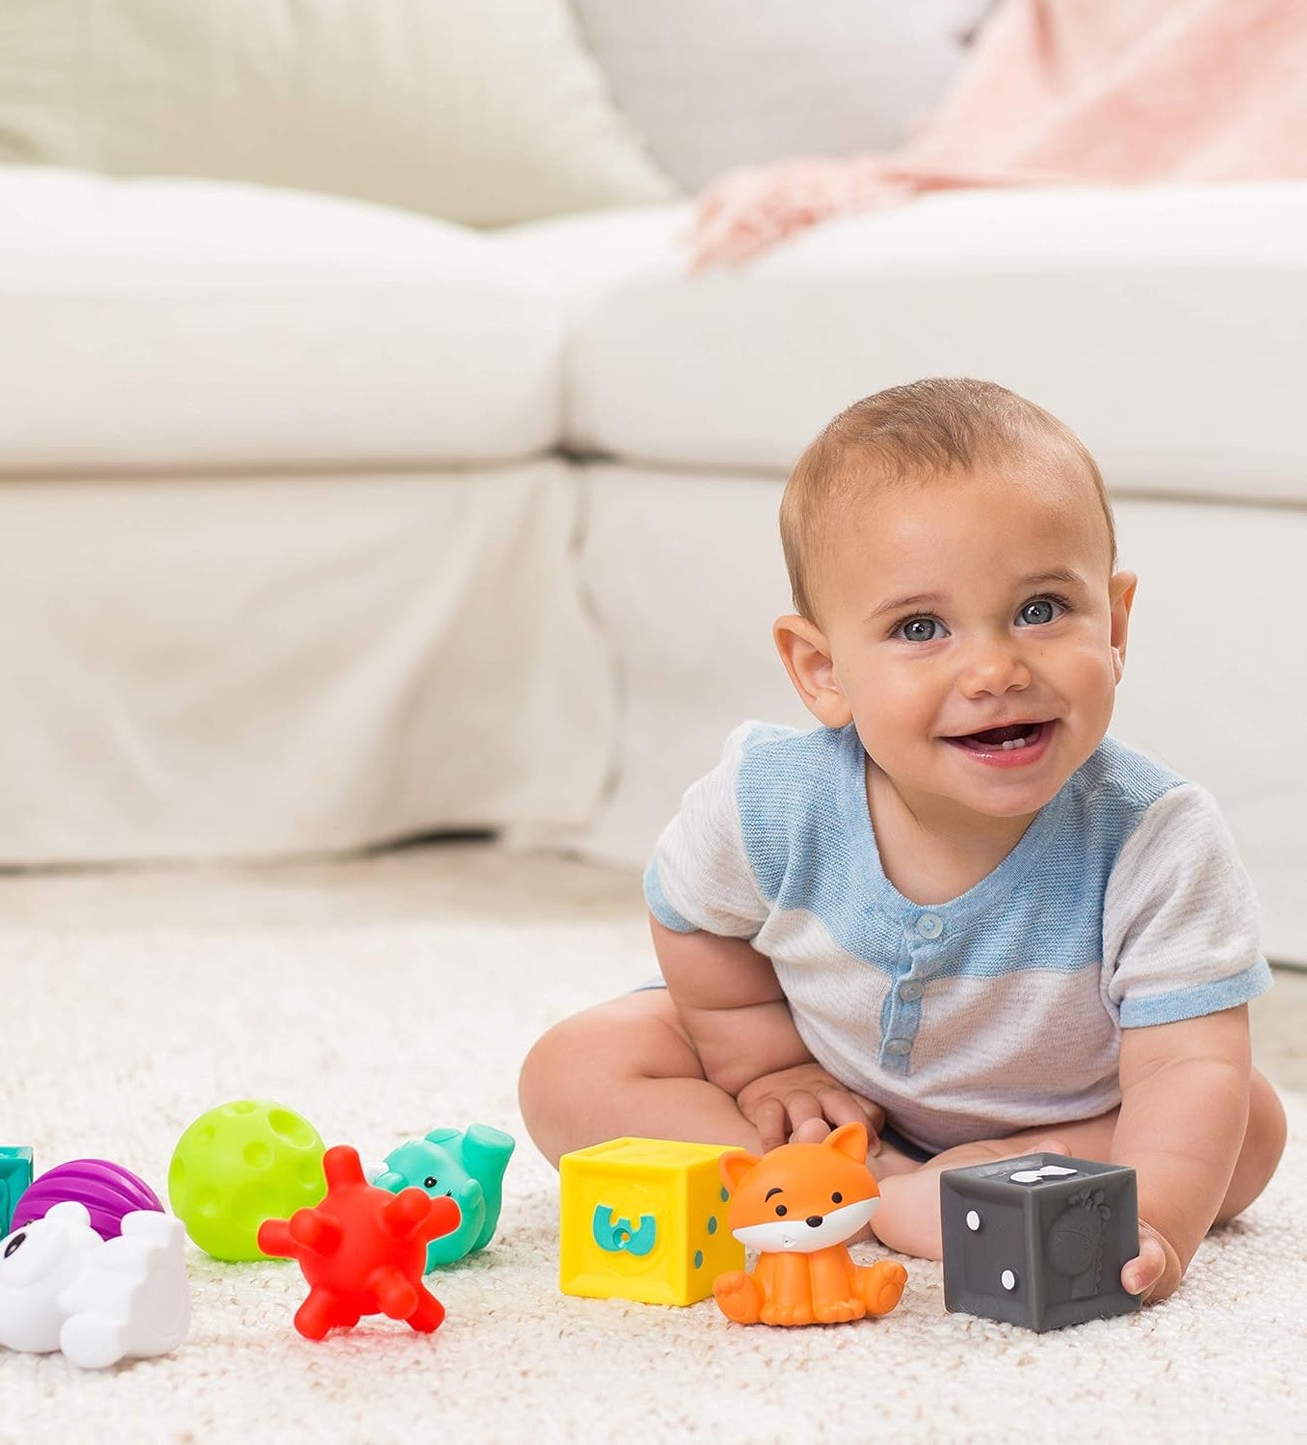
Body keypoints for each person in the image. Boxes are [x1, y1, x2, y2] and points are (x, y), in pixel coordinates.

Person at [518, 377, 1286, 1304]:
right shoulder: (773, 799)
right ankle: (837, 1183)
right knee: (573, 1067)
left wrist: (1154, 1219)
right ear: (821, 670)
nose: (996, 668)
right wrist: (765, 1060)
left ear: (1115, 626)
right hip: (827, 1090)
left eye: (1041, 609)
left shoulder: (1156, 839)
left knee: (1240, 1120)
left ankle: (971, 1177)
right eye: (920, 628)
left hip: (1067, 1109)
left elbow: (1183, 1063)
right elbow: (687, 910)